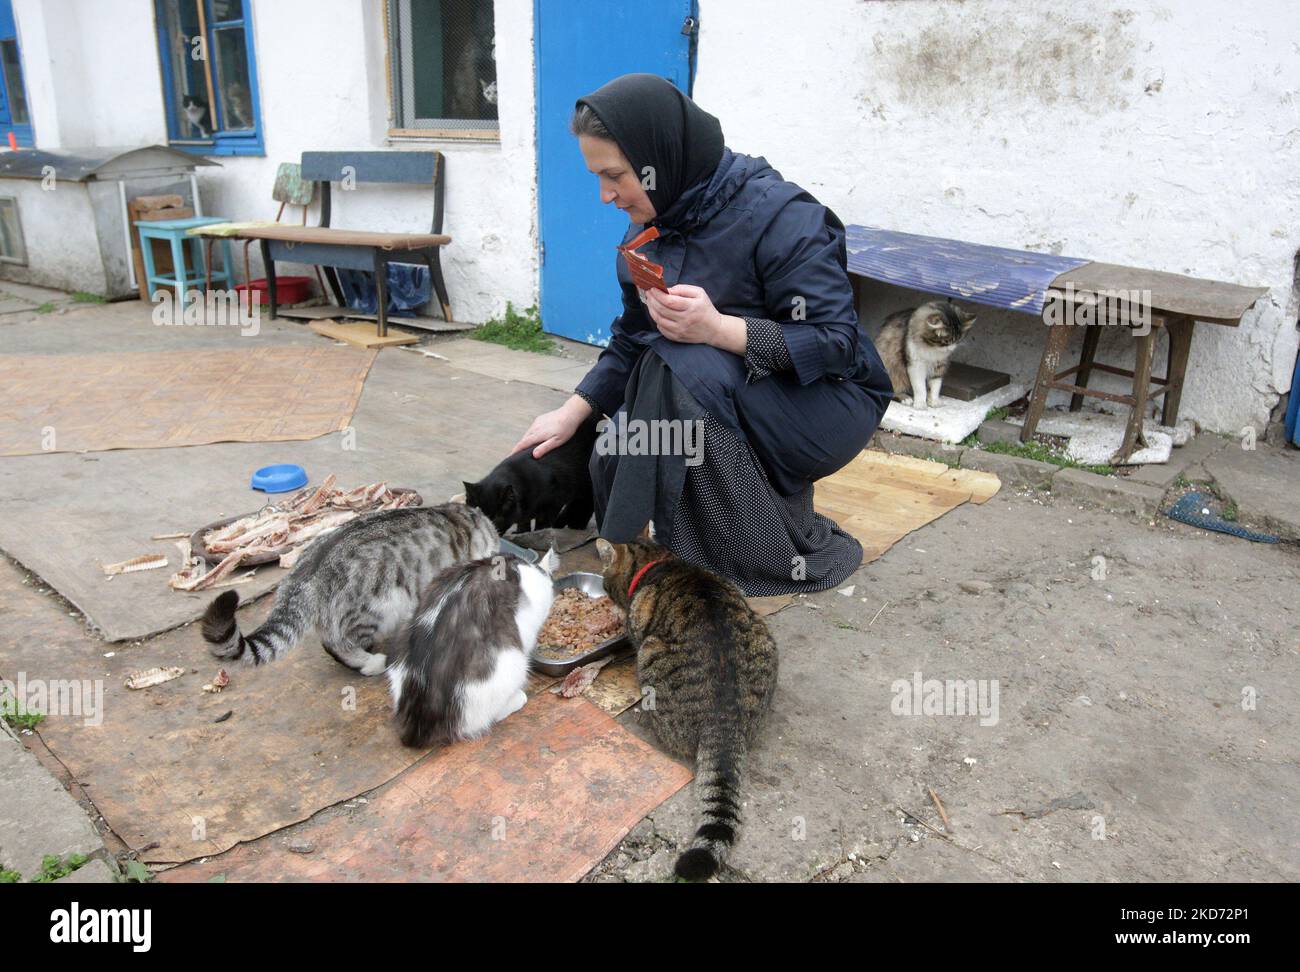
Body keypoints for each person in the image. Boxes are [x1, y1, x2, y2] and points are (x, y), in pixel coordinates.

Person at [511, 74, 892, 595]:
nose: (605, 196)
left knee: (680, 367)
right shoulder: (651, 226)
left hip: (824, 405)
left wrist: (719, 329)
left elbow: (835, 344)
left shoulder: (783, 217)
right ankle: (642, 544)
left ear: (659, 158)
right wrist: (572, 411)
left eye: (615, 175)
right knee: (630, 423)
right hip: (728, 393)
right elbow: (631, 341)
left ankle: (732, 554)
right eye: (597, 177)